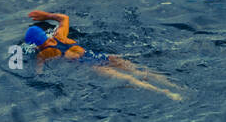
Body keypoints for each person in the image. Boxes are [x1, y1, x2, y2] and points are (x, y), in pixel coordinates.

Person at [23, 10, 181, 100]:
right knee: (141, 72)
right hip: (102, 57)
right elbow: (64, 18)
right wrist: (46, 16)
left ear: (34, 44)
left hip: (93, 66)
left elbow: (38, 74)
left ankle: (168, 94)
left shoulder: (43, 55)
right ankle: (175, 86)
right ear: (45, 35)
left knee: (129, 79)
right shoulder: (60, 35)